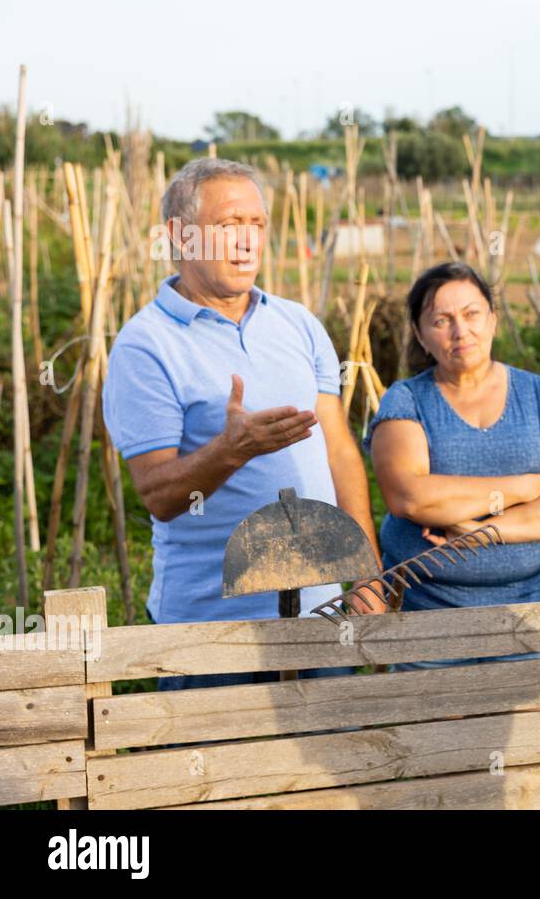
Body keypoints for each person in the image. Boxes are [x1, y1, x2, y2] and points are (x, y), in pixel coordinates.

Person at [102, 158, 385, 691]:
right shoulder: (145, 346)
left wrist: (368, 574)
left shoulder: (297, 323)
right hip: (212, 630)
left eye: (256, 225)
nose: (247, 241)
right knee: (215, 771)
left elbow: (340, 453)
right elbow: (160, 493)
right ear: (178, 236)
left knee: (324, 770)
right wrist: (233, 449)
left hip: (320, 616)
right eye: (228, 225)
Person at [364, 262, 540, 669]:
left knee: (537, 731)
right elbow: (410, 497)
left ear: (492, 319)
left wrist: (482, 533)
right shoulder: (407, 400)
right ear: (420, 334)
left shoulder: (539, 393)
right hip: (434, 619)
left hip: (536, 613)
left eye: (472, 314)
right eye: (442, 320)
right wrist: (525, 488)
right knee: (441, 733)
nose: (460, 331)